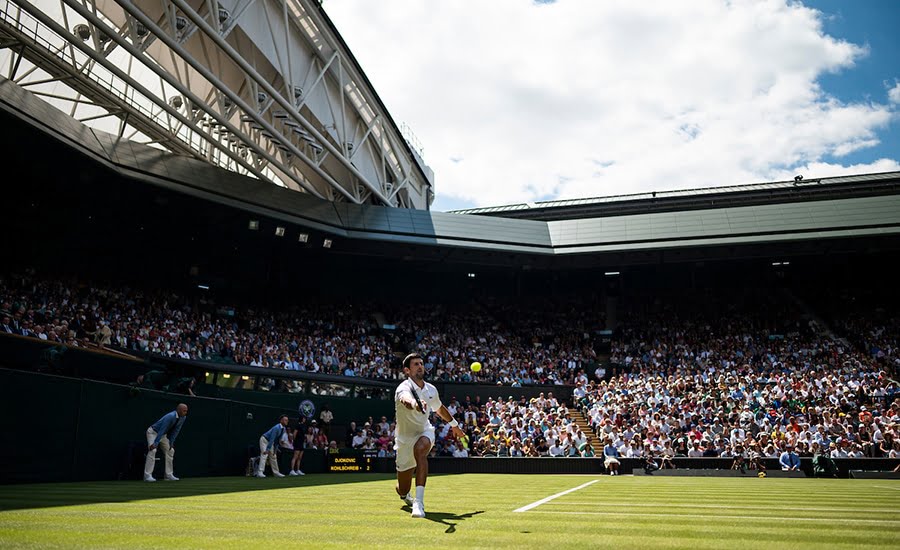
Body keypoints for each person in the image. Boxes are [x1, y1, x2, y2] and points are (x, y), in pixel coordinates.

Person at [393, 353, 464, 519]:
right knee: (402, 488)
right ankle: (405, 494)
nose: (420, 366)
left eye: (421, 363)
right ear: (407, 370)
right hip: (404, 440)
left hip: (424, 431)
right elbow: (405, 400)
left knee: (421, 450)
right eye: (416, 364)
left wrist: (455, 426)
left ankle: (419, 502)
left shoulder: (431, 389)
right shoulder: (402, 388)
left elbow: (439, 409)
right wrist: (416, 405)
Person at [144, 403, 188, 482]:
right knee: (153, 450)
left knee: (170, 450)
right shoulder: (170, 416)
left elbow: (176, 430)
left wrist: (171, 442)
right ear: (178, 410)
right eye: (184, 411)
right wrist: (155, 443)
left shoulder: (183, 417)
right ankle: (147, 476)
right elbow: (162, 429)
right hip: (153, 432)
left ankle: (168, 475)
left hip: (163, 435)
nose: (185, 412)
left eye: (186, 411)